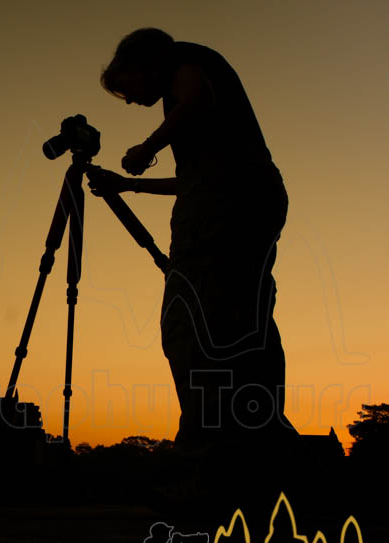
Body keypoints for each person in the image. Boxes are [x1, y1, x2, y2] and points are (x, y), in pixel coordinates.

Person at [87, 28, 298, 452]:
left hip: (226, 215)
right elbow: (196, 181)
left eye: (125, 87)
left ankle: (210, 451)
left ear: (144, 64)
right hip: (243, 202)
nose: (129, 101)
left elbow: (196, 101)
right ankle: (258, 441)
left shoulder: (185, 65)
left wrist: (148, 147)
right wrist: (131, 187)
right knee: (242, 326)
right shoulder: (201, 104)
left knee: (193, 325)